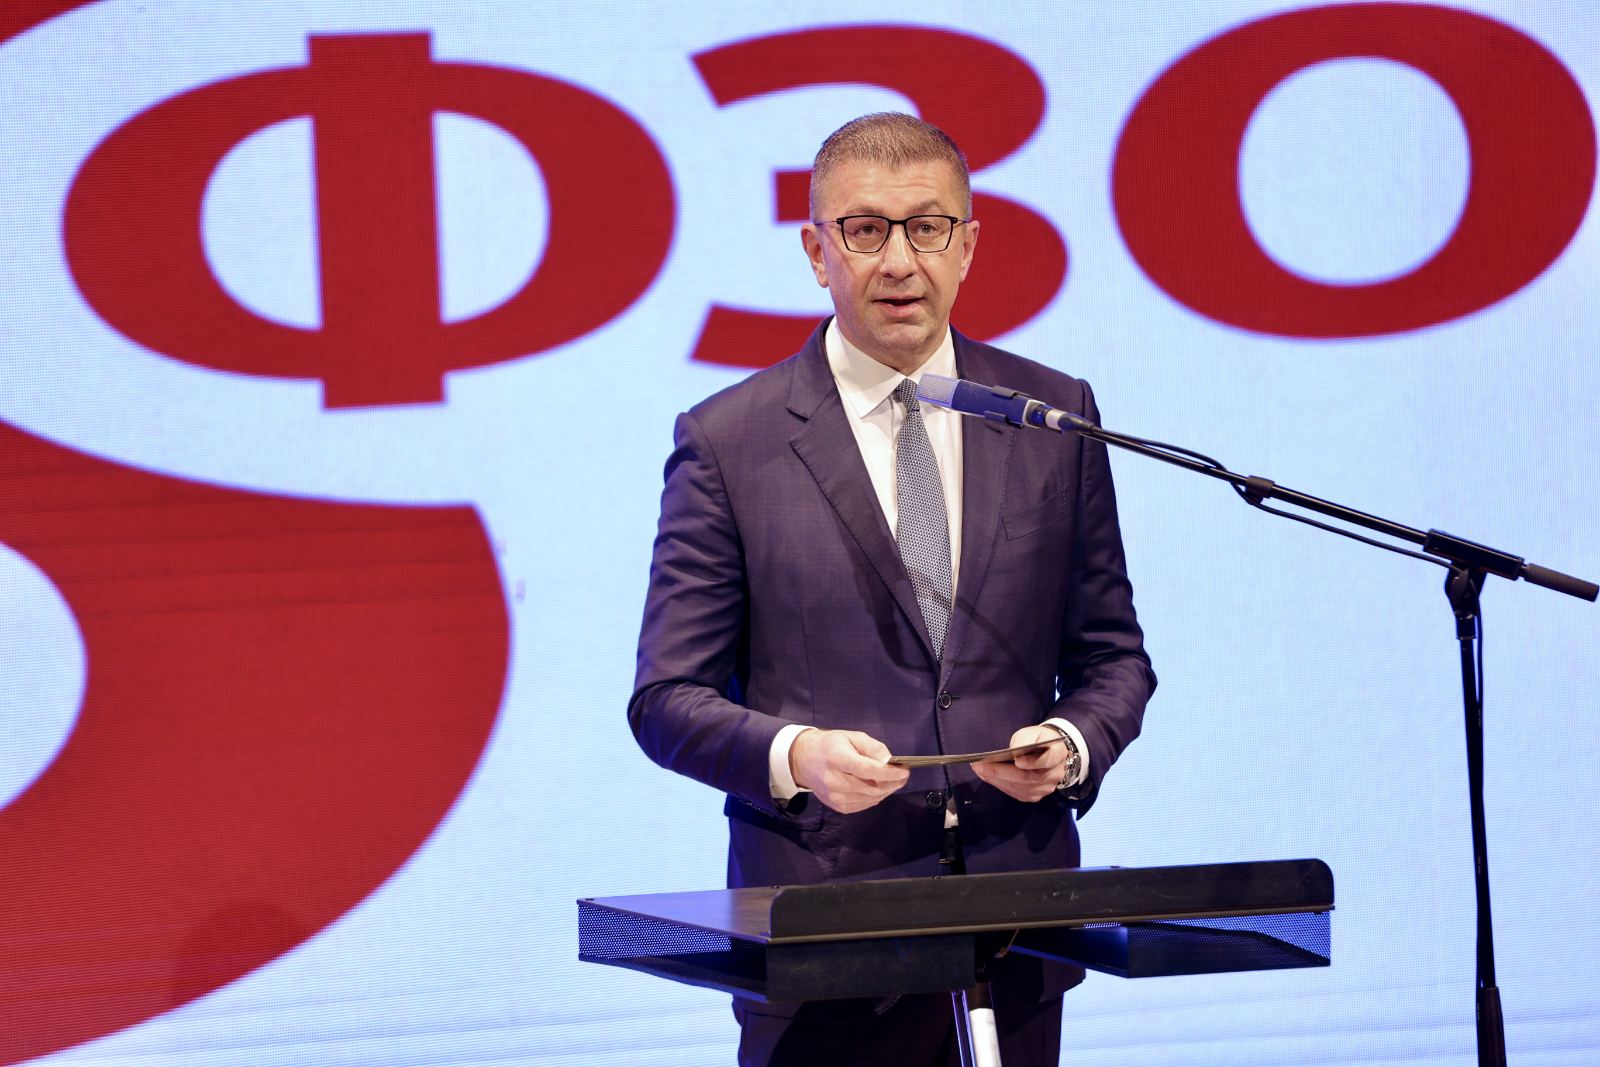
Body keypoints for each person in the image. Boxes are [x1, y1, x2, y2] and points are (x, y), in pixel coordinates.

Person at [629, 112, 1155, 1066]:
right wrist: (797, 756)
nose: (901, 261)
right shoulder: (728, 441)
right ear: (816, 252)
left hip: (1018, 925)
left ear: (968, 245)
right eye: (866, 230)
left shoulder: (1052, 416)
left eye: (928, 227)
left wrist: (1071, 743)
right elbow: (666, 698)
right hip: (820, 937)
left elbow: (1114, 657)